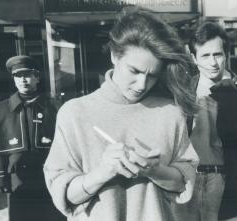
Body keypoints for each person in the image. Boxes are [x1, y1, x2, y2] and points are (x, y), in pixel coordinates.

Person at [43, 9, 199, 221]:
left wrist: (154, 170)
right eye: (134, 71)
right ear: (114, 56)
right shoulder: (75, 113)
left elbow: (184, 184)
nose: (142, 85)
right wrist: (102, 172)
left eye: (151, 76)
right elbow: (64, 196)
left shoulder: (171, 113)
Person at [173, 21, 237, 221]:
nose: (213, 63)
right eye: (205, 56)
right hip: (190, 179)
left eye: (217, 54)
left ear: (226, 54)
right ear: (193, 58)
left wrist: (226, 90)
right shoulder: (184, 91)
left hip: (227, 181)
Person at [0, 55, 65, 221]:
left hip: (49, 173)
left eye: (27, 75)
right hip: (18, 177)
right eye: (18, 76)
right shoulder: (1, 110)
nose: (23, 80)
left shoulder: (54, 106)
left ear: (37, 77)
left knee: (51, 215)